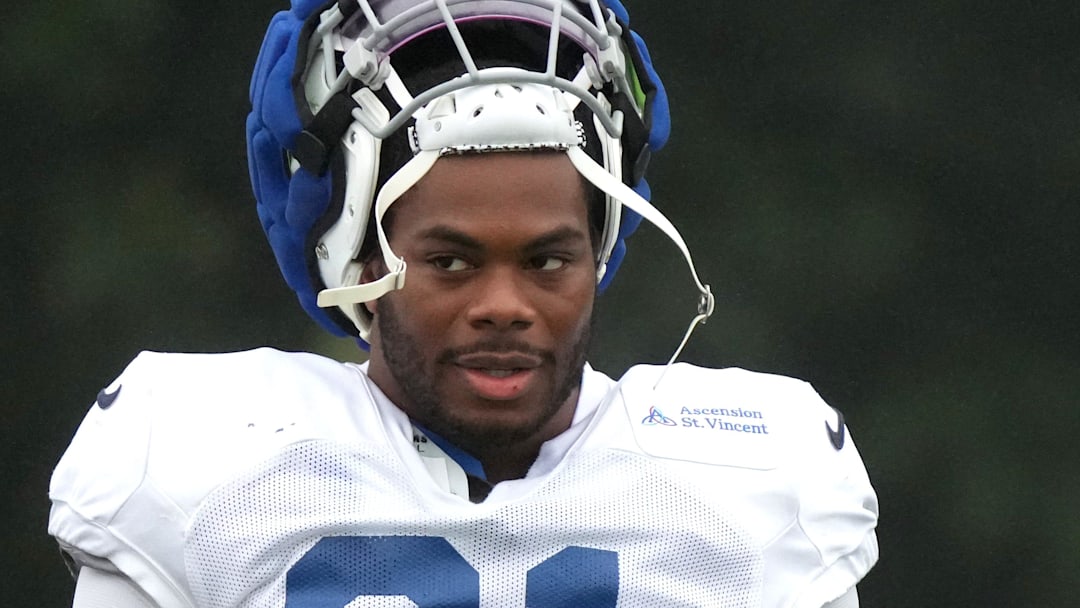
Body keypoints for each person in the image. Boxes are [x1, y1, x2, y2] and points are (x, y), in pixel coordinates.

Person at [48, 0, 879, 606]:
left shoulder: (756, 487)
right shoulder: (205, 467)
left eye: (548, 259)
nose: (504, 306)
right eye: (450, 261)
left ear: (601, 249)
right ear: (357, 253)